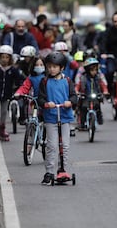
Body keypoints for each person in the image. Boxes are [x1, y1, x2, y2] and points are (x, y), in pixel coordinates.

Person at [37, 51, 77, 185]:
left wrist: (70, 102)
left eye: (54, 67)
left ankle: (63, 168)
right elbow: (41, 98)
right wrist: (46, 104)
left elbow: (73, 96)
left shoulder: (67, 81)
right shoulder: (45, 81)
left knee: (65, 145)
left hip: (65, 117)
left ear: (62, 68)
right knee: (52, 145)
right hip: (51, 117)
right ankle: (49, 172)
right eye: (49, 67)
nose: (51, 69)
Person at [0, 45, 23, 141]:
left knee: (3, 112)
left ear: (10, 58)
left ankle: (2, 130)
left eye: (7, 57)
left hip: (6, 94)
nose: (4, 60)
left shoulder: (13, 70)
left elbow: (19, 80)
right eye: (3, 57)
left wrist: (20, 88)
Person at [76, 58, 109, 127]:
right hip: (85, 96)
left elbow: (102, 85)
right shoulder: (83, 78)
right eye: (92, 70)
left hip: (96, 95)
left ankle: (99, 118)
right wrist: (76, 91)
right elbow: (78, 85)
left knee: (97, 107)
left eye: (95, 70)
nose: (94, 72)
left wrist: (105, 91)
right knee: (83, 108)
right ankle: (82, 123)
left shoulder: (98, 78)